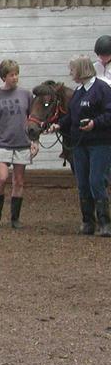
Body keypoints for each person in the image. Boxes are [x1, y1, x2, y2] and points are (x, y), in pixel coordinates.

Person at [51, 55, 111, 237]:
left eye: (72, 69)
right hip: (79, 144)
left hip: (99, 143)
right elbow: (72, 116)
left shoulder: (102, 89)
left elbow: (109, 113)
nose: (70, 73)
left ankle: (104, 222)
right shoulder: (78, 92)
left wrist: (95, 123)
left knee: (96, 180)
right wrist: (59, 124)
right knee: (82, 182)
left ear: (81, 69)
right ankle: (87, 221)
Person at [0, 60, 38, 229]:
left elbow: (33, 120)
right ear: (4, 77)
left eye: (16, 74)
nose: (15, 77)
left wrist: (34, 140)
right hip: (2, 142)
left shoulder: (26, 95)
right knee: (2, 177)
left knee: (19, 180)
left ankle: (15, 218)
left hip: (22, 142)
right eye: (11, 75)